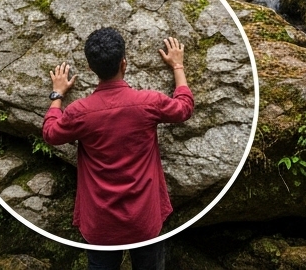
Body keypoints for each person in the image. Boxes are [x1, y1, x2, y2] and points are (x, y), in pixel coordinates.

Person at [43, 27, 194, 269]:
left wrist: (57, 95)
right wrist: (178, 66)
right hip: (144, 220)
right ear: (124, 63)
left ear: (91, 69)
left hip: (101, 225)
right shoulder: (148, 103)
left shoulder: (79, 112)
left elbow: (50, 133)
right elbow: (184, 107)